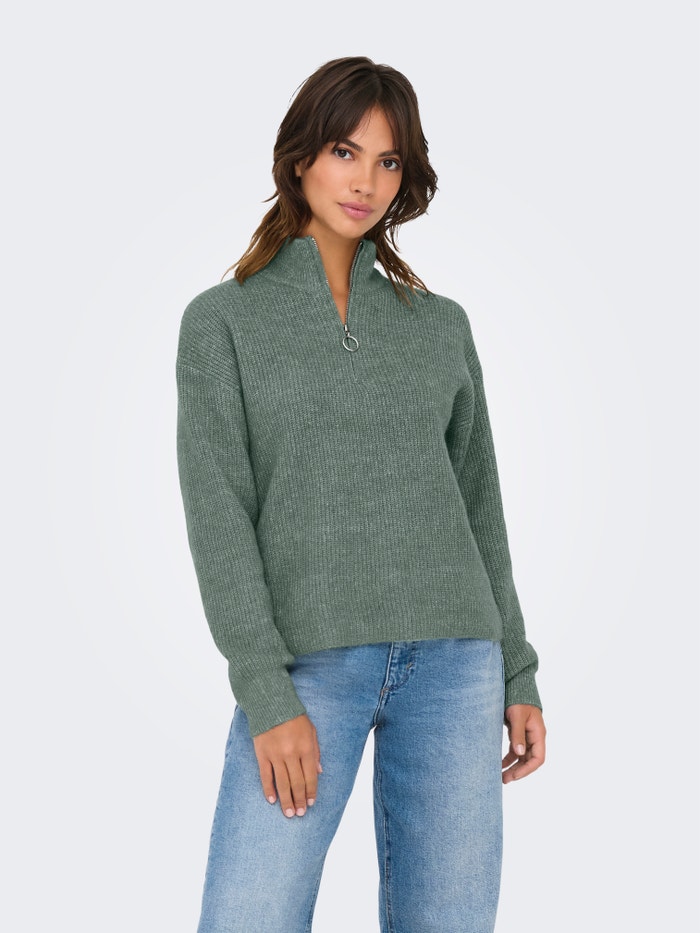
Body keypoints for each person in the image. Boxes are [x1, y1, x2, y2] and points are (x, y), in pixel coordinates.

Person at [175, 55, 547, 933]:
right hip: (309, 667)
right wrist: (265, 690)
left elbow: (480, 505)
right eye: (346, 151)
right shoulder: (223, 322)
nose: (366, 181)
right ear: (301, 156)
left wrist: (517, 667)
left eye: (388, 161)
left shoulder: (439, 327)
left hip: (456, 660)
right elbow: (219, 516)